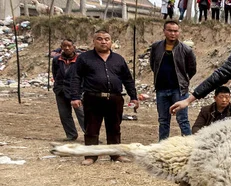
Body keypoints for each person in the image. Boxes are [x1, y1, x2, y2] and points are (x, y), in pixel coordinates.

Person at [70, 30, 139, 166]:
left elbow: (127, 79)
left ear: (111, 42)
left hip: (115, 99)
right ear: (94, 41)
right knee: (91, 128)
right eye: (100, 39)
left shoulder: (119, 59)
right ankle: (91, 156)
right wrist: (75, 96)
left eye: (107, 39)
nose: (103, 42)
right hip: (93, 98)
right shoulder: (84, 58)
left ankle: (115, 154)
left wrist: (134, 97)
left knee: (114, 128)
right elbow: (76, 78)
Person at [150, 21, 196, 142]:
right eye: (170, 30)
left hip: (179, 90)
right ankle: (162, 146)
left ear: (179, 32)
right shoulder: (156, 47)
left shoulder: (186, 50)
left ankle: (189, 146)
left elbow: (192, 69)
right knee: (163, 121)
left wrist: (183, 81)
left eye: (175, 31)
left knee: (183, 120)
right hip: (161, 89)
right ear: (164, 31)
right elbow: (153, 65)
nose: (173, 33)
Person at [52, 39, 85, 141]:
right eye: (64, 46)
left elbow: (84, 76)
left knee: (82, 114)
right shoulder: (57, 60)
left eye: (69, 46)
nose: (67, 48)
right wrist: (57, 86)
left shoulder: (80, 60)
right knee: (64, 114)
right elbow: (55, 73)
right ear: (61, 47)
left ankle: (90, 135)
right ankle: (71, 135)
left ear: (74, 47)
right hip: (60, 90)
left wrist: (82, 90)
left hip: (76, 91)